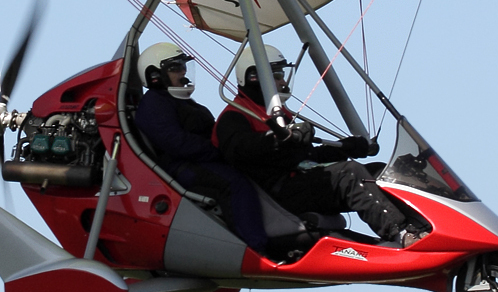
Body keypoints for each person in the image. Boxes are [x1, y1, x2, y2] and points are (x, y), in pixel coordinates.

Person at [213, 46, 428, 247]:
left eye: (282, 75)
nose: (282, 82)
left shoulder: (277, 114)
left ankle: (422, 228)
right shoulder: (235, 116)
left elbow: (306, 156)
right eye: (277, 76)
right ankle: (400, 234)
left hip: (300, 181)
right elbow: (239, 151)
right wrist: (278, 138)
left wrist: (344, 148)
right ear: (254, 78)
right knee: (348, 174)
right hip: (274, 196)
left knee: (378, 172)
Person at [132, 42, 267, 252]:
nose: (183, 72)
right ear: (155, 75)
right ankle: (256, 248)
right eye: (175, 67)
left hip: (201, 160)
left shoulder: (183, 101)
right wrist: (218, 149)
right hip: (182, 166)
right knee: (235, 184)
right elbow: (175, 143)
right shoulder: (154, 104)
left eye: (184, 67)